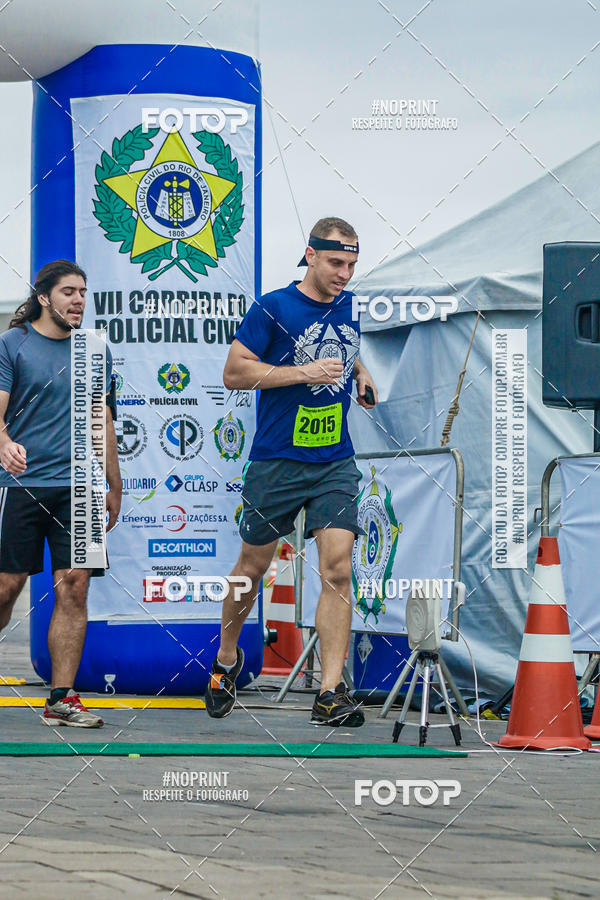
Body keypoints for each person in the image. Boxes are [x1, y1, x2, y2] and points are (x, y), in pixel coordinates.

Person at [205, 217, 377, 726]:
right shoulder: (273, 307)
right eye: (335, 263)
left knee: (338, 568)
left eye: (351, 264)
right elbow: (234, 372)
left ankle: (330, 693)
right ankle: (227, 659)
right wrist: (303, 372)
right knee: (251, 569)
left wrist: (361, 374)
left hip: (333, 460)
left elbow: (347, 350)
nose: (344, 274)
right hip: (277, 460)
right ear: (310, 255)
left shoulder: (348, 306)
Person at [0, 260, 122, 727]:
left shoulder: (95, 350)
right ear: (44, 297)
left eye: (83, 292)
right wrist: (5, 445)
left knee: (74, 587)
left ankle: (62, 698)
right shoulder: (13, 345)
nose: (78, 300)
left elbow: (103, 420)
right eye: (69, 292)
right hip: (23, 486)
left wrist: (114, 483)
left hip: (83, 489)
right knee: (7, 587)